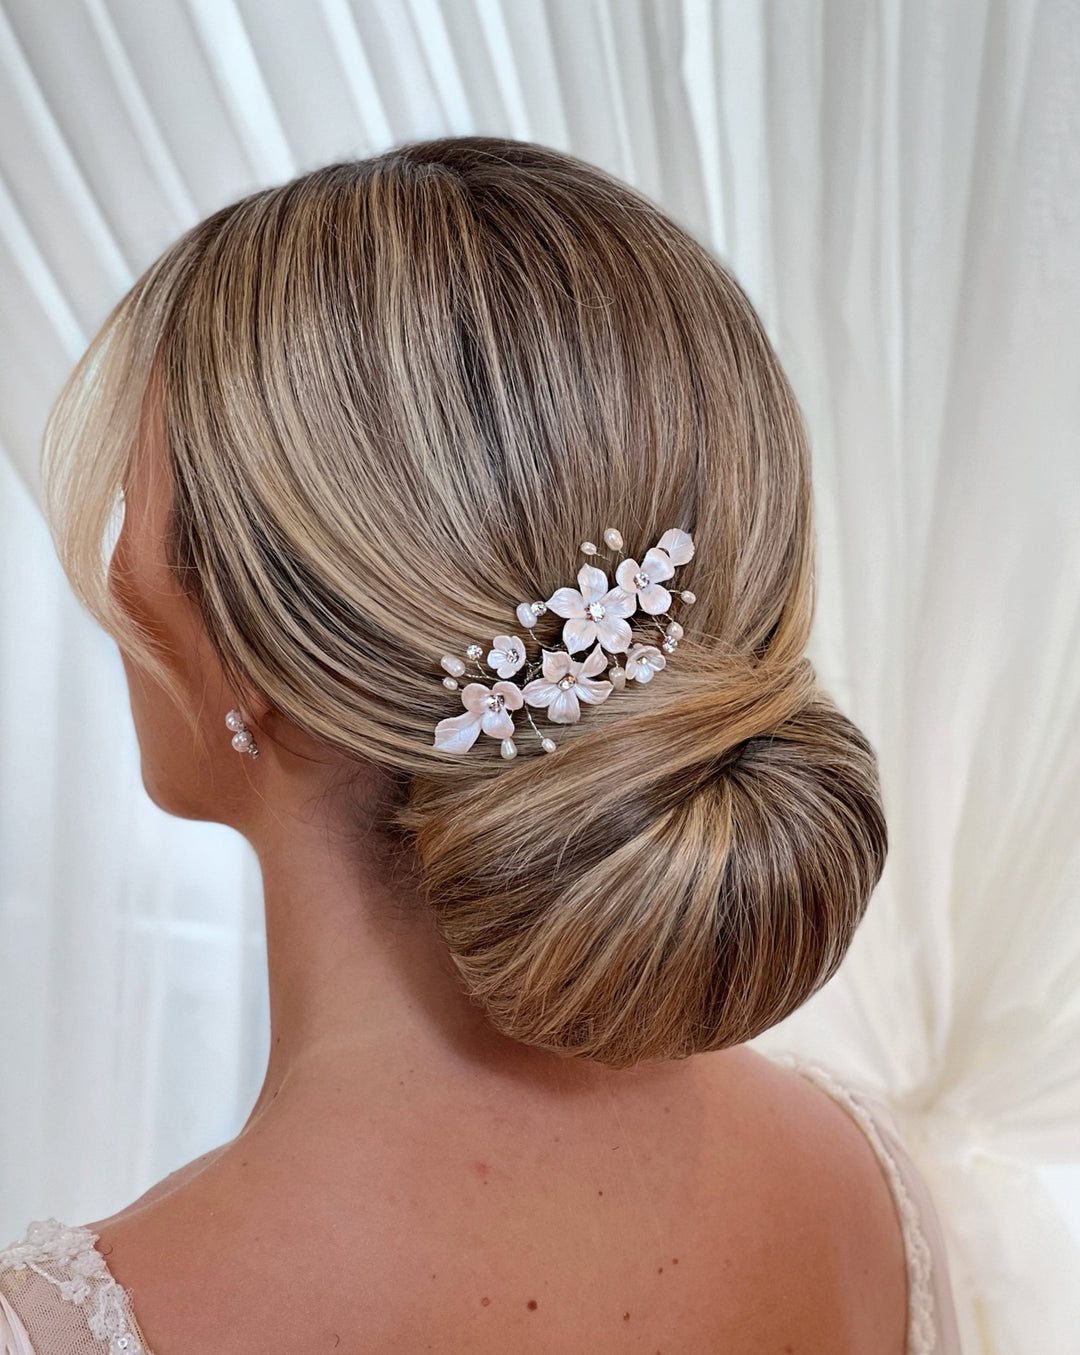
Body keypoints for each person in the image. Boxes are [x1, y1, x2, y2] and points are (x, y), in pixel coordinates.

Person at [0, 135, 960, 1354]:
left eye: (141, 498)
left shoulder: (73, 1329)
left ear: (258, 641)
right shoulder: (871, 1195)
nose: (114, 557)